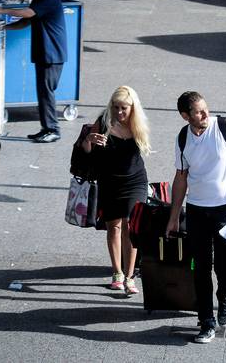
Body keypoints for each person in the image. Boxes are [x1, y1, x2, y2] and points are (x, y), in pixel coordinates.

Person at [165, 91, 226, 343]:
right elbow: (181, 178)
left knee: (223, 266)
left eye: (205, 109)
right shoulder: (183, 137)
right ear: (186, 116)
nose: (205, 114)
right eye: (198, 111)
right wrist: (174, 216)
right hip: (196, 209)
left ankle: (225, 298)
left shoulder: (225, 128)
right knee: (201, 268)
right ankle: (206, 321)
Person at [82, 86, 152, 296]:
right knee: (114, 227)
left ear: (132, 108)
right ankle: (117, 273)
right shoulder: (103, 122)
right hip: (109, 182)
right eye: (116, 107)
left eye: (124, 108)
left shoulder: (137, 124)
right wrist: (89, 141)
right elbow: (85, 152)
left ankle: (130, 277)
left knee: (131, 227)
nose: (119, 112)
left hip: (135, 181)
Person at [0, 0, 67, 143]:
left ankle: (53, 129)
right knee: (43, 92)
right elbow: (26, 22)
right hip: (43, 53)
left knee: (46, 92)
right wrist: (4, 28)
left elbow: (27, 14)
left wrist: (1, 10)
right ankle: (46, 128)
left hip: (52, 54)